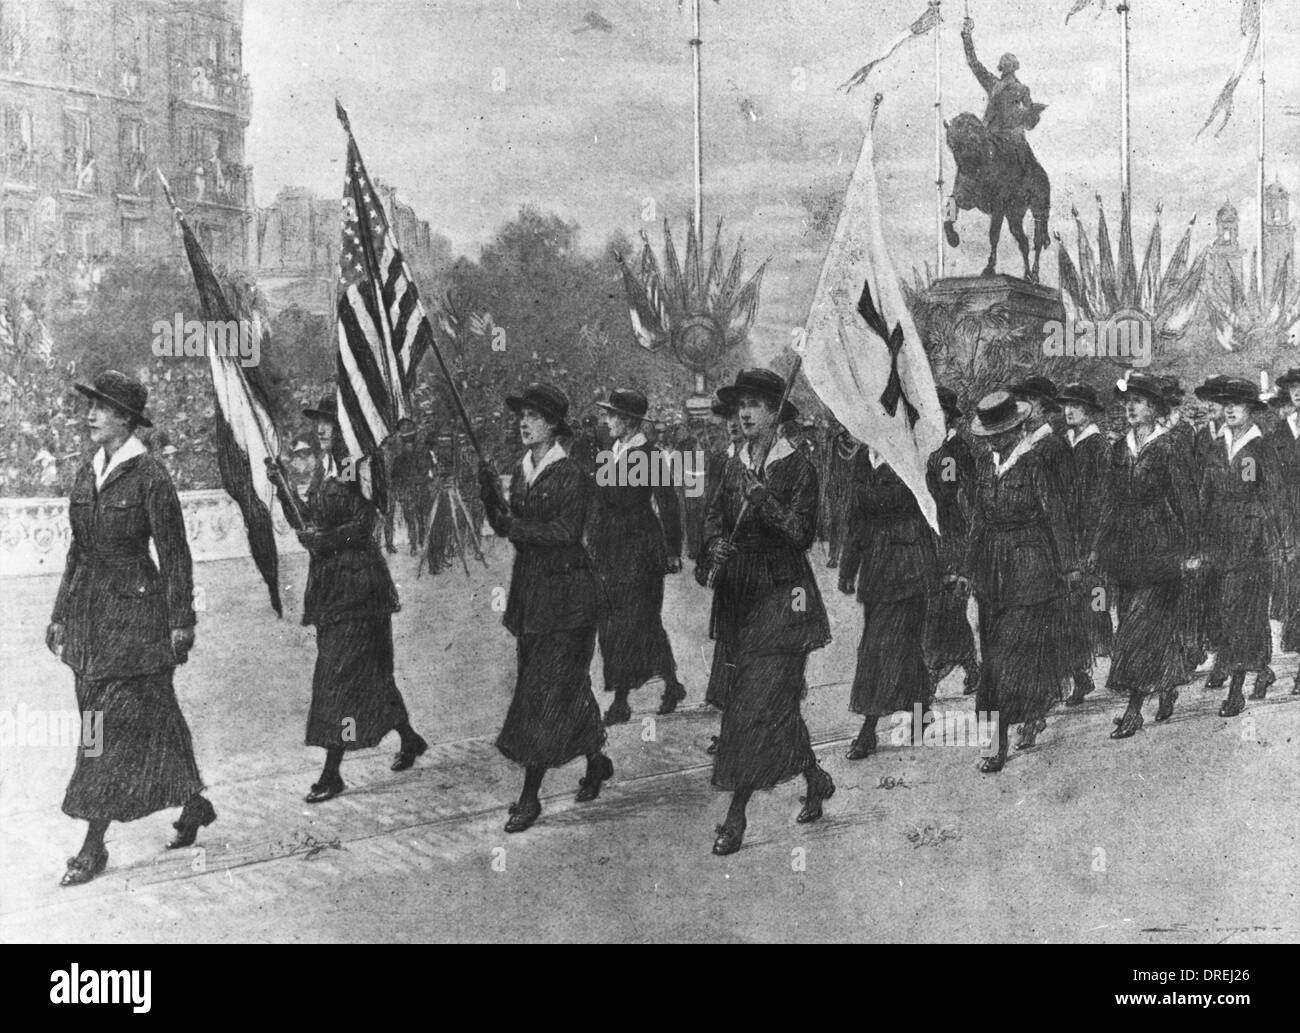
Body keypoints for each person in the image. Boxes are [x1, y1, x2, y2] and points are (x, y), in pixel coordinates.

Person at [46, 370, 215, 886]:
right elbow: (78, 551)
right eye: (91, 406)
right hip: (89, 623)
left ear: (125, 418)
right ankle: (193, 803)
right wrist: (57, 613)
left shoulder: (151, 477)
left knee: (104, 731)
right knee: (154, 720)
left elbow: (175, 555)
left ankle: (93, 846)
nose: (89, 415)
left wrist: (181, 622)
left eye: (100, 408)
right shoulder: (87, 471)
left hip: (137, 624)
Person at [697, 368, 834, 855]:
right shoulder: (732, 462)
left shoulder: (798, 468)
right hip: (739, 599)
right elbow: (713, 517)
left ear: (777, 413)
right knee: (770, 706)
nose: (746, 413)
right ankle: (814, 776)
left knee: (752, 710)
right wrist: (712, 546)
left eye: (756, 404)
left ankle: (736, 817)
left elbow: (800, 534)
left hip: (784, 600)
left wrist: (765, 499)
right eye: (741, 406)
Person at [477, 383, 613, 833]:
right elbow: (506, 524)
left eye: (532, 416)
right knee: (567, 686)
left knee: (540, 695)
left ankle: (530, 796)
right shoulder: (523, 469)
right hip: (533, 599)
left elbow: (564, 532)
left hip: (569, 600)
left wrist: (515, 525)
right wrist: (487, 495)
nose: (523, 422)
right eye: (521, 416)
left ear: (552, 425)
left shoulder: (570, 473)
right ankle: (596, 761)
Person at [285, 394, 427, 802]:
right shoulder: (327, 467)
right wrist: (285, 493)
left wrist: (321, 538)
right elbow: (314, 518)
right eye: (318, 422)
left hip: (359, 588)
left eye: (329, 421)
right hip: (333, 587)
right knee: (373, 673)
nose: (322, 428)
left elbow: (364, 525)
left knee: (337, 676)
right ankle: (409, 737)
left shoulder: (361, 465)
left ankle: (332, 772)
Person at [958, 391, 1077, 771]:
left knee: (1010, 656)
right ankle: (1013, 724)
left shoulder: (1035, 462)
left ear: (1015, 429)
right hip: (993, 572)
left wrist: (1069, 565)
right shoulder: (986, 465)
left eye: (1000, 433)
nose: (993, 440)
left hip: (1030, 568)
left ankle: (1000, 740)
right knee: (991, 654)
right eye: (989, 435)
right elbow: (978, 522)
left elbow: (1056, 515)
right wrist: (965, 568)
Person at [1090, 373, 1199, 738]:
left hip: (1161, 550)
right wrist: (1096, 546)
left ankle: (1134, 709)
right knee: (1139, 625)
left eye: (1137, 401)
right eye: (1127, 402)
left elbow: (1188, 504)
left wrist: (1192, 551)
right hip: (1125, 551)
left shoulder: (1170, 447)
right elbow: (1108, 501)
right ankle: (1166, 686)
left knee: (1138, 629)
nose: (1129, 408)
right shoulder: (1119, 448)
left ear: (1154, 407)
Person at [1194, 377, 1294, 714]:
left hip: (1252, 544)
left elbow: (1277, 499)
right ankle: (1261, 669)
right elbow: (1202, 498)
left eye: (1239, 403)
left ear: (1251, 409)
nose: (1231, 409)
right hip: (1216, 542)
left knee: (1242, 613)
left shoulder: (1262, 448)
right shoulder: (1213, 448)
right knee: (1221, 613)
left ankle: (1235, 689)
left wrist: (1284, 543)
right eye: (1226, 403)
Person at [589, 388, 687, 723]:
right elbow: (599, 503)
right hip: (609, 547)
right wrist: (592, 542)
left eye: (613, 415)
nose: (608, 421)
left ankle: (623, 700)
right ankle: (666, 685)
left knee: (639, 620)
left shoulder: (649, 454)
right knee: (611, 620)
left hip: (641, 546)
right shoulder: (608, 451)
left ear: (629, 421)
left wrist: (673, 550)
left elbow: (668, 502)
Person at [838, 439, 938, 760]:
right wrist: (847, 567)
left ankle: (868, 731)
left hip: (908, 564)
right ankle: (922, 707)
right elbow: (856, 519)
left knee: (879, 645)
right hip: (877, 568)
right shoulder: (863, 460)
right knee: (903, 645)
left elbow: (902, 501)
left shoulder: (910, 456)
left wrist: (858, 495)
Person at [1058, 383, 1112, 705]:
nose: (1069, 411)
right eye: (1066, 405)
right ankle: (1080, 675)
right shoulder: (1064, 443)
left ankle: (1108, 660)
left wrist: (1095, 545)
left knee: (1093, 605)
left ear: (1089, 410)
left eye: (1075, 405)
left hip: (1090, 537)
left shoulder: (1098, 446)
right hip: (1066, 537)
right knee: (1068, 612)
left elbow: (1105, 499)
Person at [924, 387, 979, 694]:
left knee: (946, 608)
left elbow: (947, 493)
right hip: (936, 535)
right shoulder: (934, 447)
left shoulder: (954, 450)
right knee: (944, 608)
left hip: (952, 536)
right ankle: (971, 667)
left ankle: (933, 672)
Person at [1268, 368, 1300, 691]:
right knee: (1292, 594)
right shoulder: (1279, 433)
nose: (1299, 393)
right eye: (1294, 388)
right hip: (1288, 522)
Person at [391, 418, 433, 556]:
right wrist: (398, 490)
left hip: (421, 487)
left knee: (422, 517)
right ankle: (414, 544)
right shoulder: (398, 457)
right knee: (410, 519)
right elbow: (395, 475)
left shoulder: (423, 451)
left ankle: (422, 541)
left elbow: (429, 466)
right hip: (407, 490)